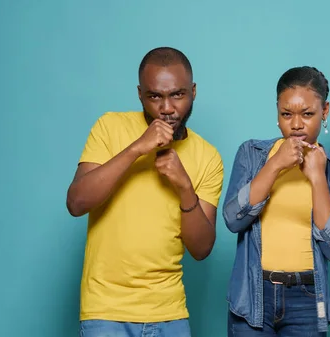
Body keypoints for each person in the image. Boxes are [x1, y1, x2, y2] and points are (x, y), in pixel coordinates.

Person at [66, 47, 224, 337]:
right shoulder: (109, 126)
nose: (167, 108)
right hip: (106, 312)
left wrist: (184, 187)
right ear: (140, 94)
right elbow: (76, 202)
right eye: (155, 96)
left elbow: (201, 249)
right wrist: (137, 148)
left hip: (170, 313)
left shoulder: (208, 156)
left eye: (178, 94)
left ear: (193, 92)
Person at [222, 66, 330, 336]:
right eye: (287, 114)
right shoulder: (252, 155)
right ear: (277, 111)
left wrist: (318, 178)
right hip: (254, 295)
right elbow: (232, 219)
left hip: (308, 299)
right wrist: (274, 166)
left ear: (325, 111)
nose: (296, 124)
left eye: (307, 114)